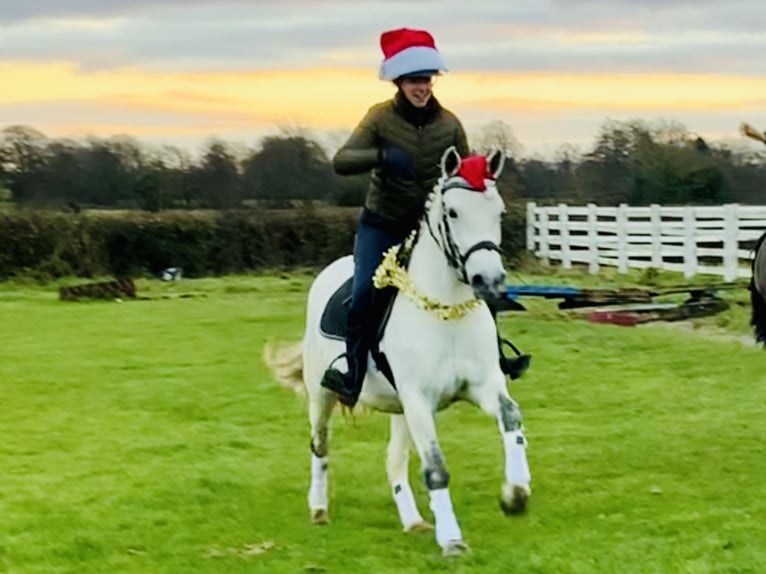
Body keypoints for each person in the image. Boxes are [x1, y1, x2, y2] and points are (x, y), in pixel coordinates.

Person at [322, 27, 525, 407]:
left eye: (427, 80)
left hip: (430, 229)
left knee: (477, 285)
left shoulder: (449, 124)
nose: (422, 87)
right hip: (382, 224)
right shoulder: (379, 118)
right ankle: (351, 374)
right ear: (399, 82)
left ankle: (495, 359)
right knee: (365, 291)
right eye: (415, 81)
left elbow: (466, 174)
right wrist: (381, 157)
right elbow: (341, 161)